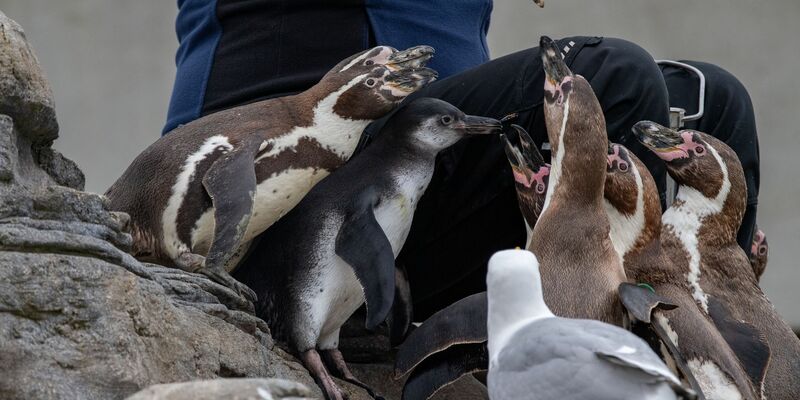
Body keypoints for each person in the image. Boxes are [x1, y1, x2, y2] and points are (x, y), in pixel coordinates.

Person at [164, 0, 760, 319]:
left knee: (712, 101)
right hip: (291, 195)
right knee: (615, 76)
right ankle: (600, 337)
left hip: (422, 183)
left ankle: (706, 343)